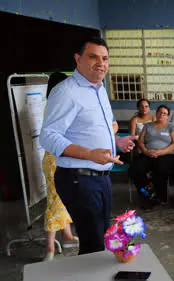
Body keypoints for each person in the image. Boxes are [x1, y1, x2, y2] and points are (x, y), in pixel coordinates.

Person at [40, 37, 137, 257]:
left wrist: (117, 142)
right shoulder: (66, 91)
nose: (100, 63)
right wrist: (90, 155)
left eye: (105, 58)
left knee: (102, 235)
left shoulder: (99, 88)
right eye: (93, 57)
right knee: (93, 244)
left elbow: (96, 128)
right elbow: (48, 137)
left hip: (100, 177)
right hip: (79, 178)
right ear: (78, 59)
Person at [41, 72, 78, 261]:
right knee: (54, 201)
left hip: (63, 158)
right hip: (54, 160)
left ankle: (68, 236)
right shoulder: (55, 106)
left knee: (63, 198)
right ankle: (49, 248)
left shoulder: (59, 104)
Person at [131, 105, 174, 206]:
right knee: (135, 168)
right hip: (148, 154)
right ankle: (145, 194)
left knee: (161, 167)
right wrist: (145, 151)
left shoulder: (172, 126)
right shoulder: (148, 126)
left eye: (164, 113)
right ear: (156, 113)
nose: (162, 114)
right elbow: (140, 141)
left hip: (167, 154)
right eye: (160, 112)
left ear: (168, 116)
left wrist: (160, 152)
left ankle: (160, 196)